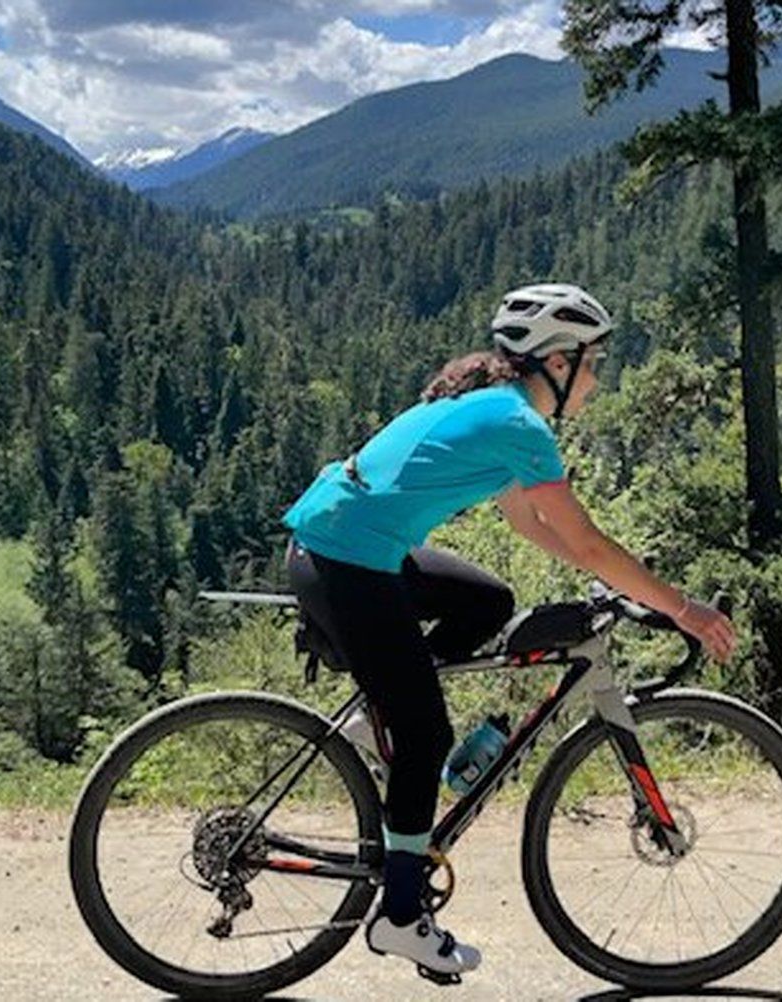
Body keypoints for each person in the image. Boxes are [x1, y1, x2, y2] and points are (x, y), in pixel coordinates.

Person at [282, 282, 738, 978]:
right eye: (591, 365)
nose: (594, 381)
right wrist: (682, 607)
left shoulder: (496, 411)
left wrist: (619, 584)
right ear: (555, 362)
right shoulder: (519, 424)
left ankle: (385, 716)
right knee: (428, 736)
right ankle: (400, 915)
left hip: (345, 545)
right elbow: (585, 541)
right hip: (347, 562)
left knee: (487, 601)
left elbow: (531, 524)